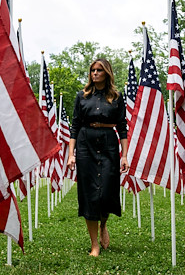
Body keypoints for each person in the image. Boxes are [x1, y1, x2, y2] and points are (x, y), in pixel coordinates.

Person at [67, 58, 129, 257]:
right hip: (86, 145)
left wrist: (125, 155)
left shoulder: (117, 97)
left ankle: (103, 225)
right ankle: (94, 244)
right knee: (89, 194)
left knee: (106, 191)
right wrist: (71, 154)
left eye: (99, 70)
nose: (95, 73)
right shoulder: (82, 96)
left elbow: (122, 128)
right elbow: (74, 126)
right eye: (92, 70)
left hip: (109, 144)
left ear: (107, 73)